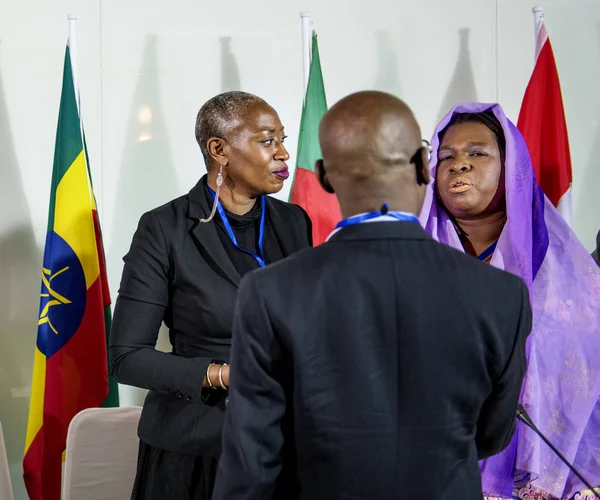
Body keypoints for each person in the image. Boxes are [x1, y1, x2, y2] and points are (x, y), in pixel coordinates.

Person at [211, 91, 531, 500]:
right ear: (423, 165)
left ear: (324, 175)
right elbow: (490, 435)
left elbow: (250, 463)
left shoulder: (269, 290)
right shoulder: (502, 293)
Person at [109, 91, 312, 500]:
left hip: (289, 443)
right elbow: (126, 357)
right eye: (268, 140)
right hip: (198, 447)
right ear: (219, 149)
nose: (284, 154)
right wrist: (225, 375)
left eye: (283, 139)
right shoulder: (163, 229)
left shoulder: (294, 221)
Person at [420, 102, 600, 500]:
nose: (458, 165)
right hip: (431, 473)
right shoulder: (410, 258)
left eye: (477, 153)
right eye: (446, 156)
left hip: (552, 475)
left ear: (512, 167)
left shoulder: (565, 271)